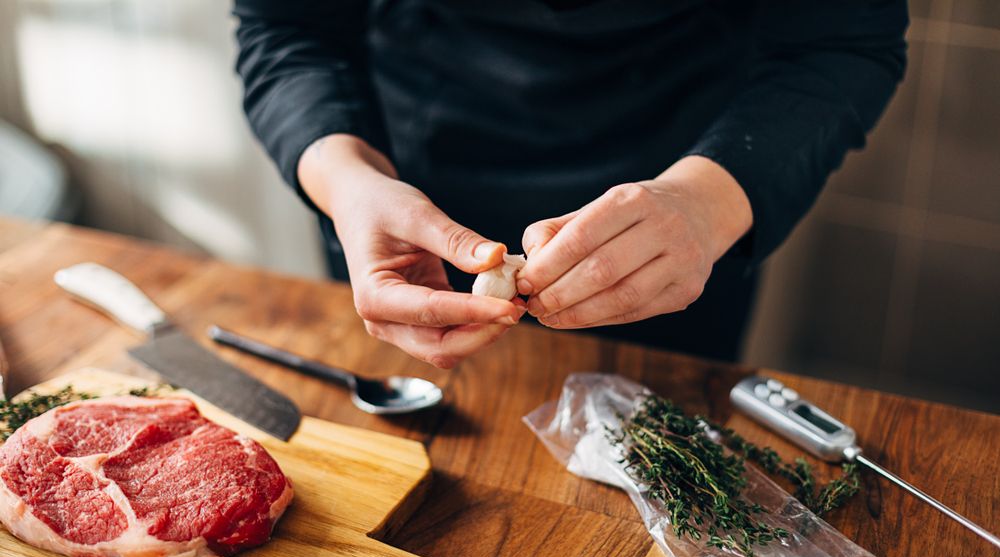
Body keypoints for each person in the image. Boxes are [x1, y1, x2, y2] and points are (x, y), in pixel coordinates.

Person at [233, 0, 907, 368]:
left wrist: (708, 201)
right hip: (405, 192)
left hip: (676, 214)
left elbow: (842, 41)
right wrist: (349, 181)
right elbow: (287, 26)